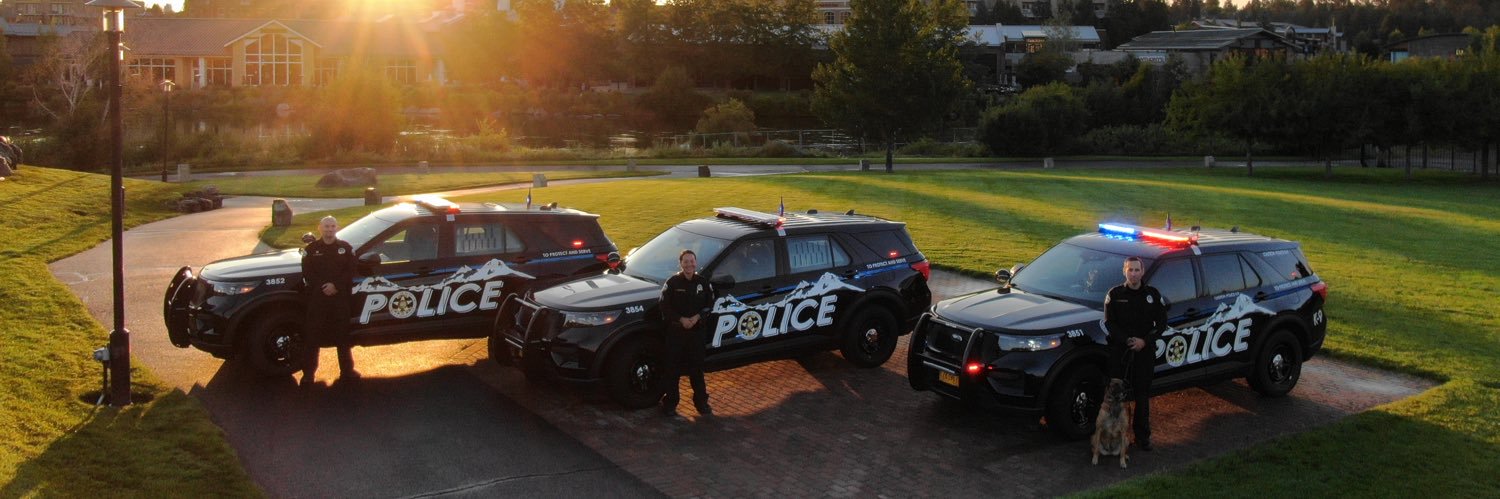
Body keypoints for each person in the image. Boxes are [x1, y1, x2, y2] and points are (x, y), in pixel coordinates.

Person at [1103, 256, 1167, 450]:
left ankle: (1142, 437)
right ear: (1124, 271)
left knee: (1142, 396)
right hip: (1120, 352)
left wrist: (1144, 341)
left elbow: (1162, 323)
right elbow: (1109, 323)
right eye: (1130, 270)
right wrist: (1126, 340)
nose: (1133, 273)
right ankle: (1113, 438)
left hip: (1144, 353)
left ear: (1143, 271)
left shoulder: (1152, 295)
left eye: (1137, 270)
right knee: (1116, 396)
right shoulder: (1114, 294)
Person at [301, 215, 357, 386]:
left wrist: (335, 286)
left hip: (339, 299)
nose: (329, 229)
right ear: (320, 228)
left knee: (343, 336)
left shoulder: (345, 248)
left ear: (337, 227)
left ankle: (347, 371)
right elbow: (307, 273)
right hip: (318, 299)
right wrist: (323, 287)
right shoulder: (311, 249)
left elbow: (351, 271)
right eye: (326, 226)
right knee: (313, 336)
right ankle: (308, 374)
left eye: (332, 226)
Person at [658, 249, 713, 417]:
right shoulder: (673, 282)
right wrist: (681, 319)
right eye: (686, 261)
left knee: (696, 369)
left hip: (696, 333)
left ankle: (701, 403)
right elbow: (664, 305)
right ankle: (671, 403)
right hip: (676, 332)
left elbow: (710, 304)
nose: (689, 264)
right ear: (680, 264)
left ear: (696, 263)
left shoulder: (703, 283)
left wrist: (697, 317)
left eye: (692, 261)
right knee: (672, 369)